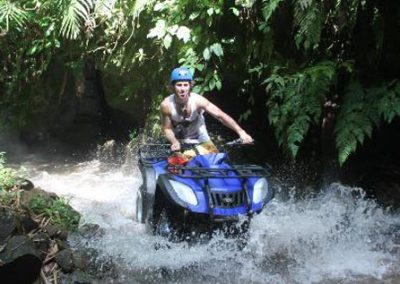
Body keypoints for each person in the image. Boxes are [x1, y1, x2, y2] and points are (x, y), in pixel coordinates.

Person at [160, 67, 253, 156]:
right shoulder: (166, 104)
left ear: (190, 85)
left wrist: (241, 132)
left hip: (200, 137)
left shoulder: (198, 100)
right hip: (178, 139)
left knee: (213, 161)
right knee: (178, 164)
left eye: (185, 85)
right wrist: (174, 141)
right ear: (173, 86)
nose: (183, 89)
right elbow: (167, 128)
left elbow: (220, 115)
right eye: (179, 85)